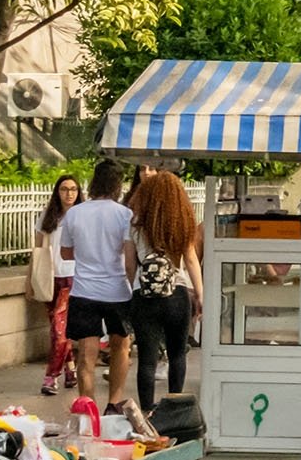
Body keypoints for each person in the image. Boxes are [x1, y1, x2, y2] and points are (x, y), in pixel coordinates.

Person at [57, 158, 137, 411]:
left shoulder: (75, 213)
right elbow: (128, 257)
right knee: (121, 347)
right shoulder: (125, 215)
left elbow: (65, 253)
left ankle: (88, 406)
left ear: (93, 181)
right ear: (118, 185)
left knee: (86, 356)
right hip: (117, 291)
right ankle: (114, 402)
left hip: (84, 292)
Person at [127, 171, 202, 414]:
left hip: (144, 296)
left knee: (147, 360)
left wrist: (132, 291)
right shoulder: (181, 223)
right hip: (177, 295)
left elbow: (129, 264)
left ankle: (147, 412)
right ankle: (174, 408)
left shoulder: (136, 224)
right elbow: (191, 260)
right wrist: (200, 294)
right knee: (177, 354)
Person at [35, 175, 82, 395]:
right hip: (50, 277)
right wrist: (30, 279)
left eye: (73, 189)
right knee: (57, 328)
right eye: (64, 189)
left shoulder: (82, 215)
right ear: (57, 192)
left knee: (59, 330)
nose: (69, 194)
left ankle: (51, 376)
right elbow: (37, 249)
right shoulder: (48, 216)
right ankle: (70, 370)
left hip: (73, 276)